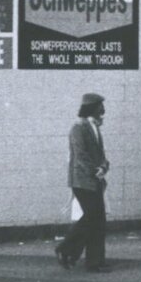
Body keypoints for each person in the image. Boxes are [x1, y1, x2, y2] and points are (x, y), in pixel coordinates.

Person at [55, 91, 111, 272]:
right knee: (93, 217)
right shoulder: (78, 128)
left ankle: (94, 262)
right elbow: (80, 156)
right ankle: (66, 250)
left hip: (93, 180)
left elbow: (101, 155)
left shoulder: (94, 128)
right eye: (100, 106)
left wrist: (103, 167)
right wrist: (96, 171)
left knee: (98, 220)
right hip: (82, 181)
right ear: (93, 108)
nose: (103, 110)